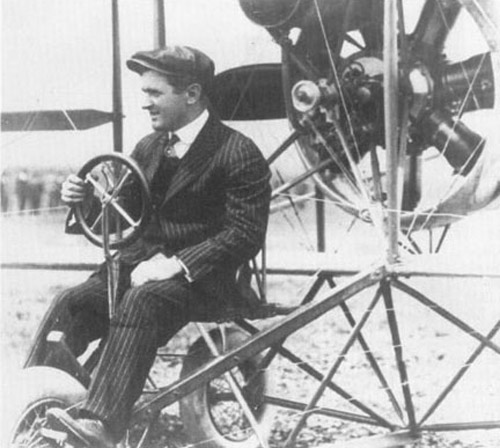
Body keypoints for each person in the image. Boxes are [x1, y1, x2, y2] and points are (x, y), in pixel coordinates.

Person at [25, 45, 271, 448]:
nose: (145, 104)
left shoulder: (238, 152)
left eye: (155, 93)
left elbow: (244, 234)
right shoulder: (149, 148)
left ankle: (99, 425)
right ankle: (37, 399)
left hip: (205, 280)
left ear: (191, 94)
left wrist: (176, 264)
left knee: (141, 302)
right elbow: (123, 214)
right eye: (145, 93)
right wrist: (82, 198)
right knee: (70, 302)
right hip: (141, 270)